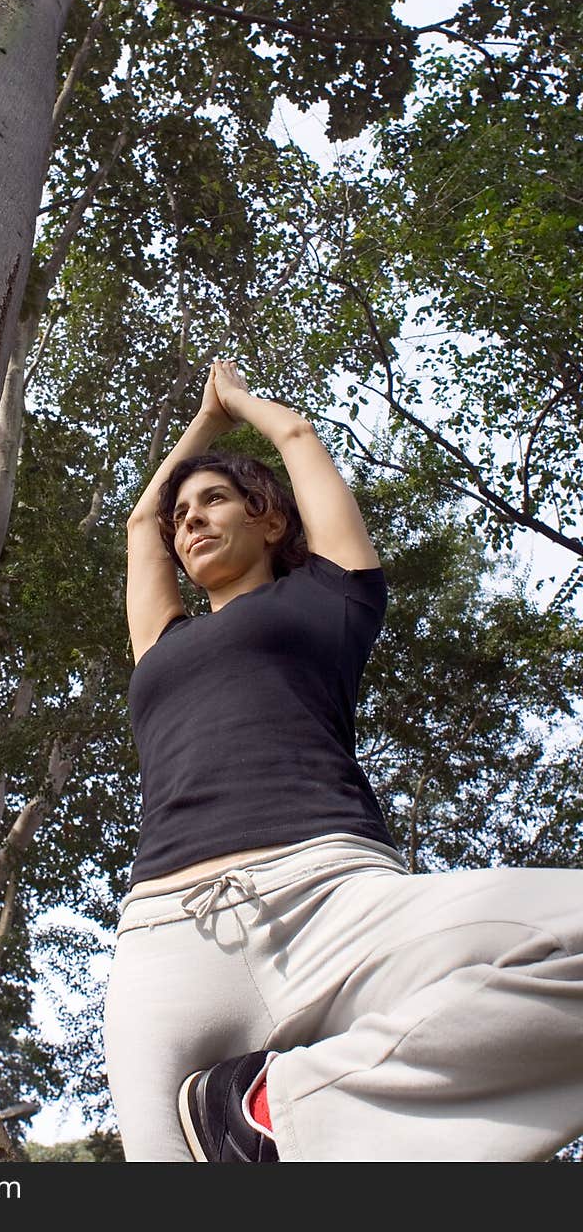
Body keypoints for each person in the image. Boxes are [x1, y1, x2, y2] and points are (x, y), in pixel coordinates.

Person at [104, 359, 583, 1163]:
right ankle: (256, 1125)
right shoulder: (162, 644)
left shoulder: (333, 595)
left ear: (271, 520)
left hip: (333, 897)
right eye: (182, 514)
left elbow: (295, 435)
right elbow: (137, 524)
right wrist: (198, 429)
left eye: (215, 498)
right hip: (166, 941)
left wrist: (241, 406)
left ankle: (274, 1111)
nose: (189, 520)